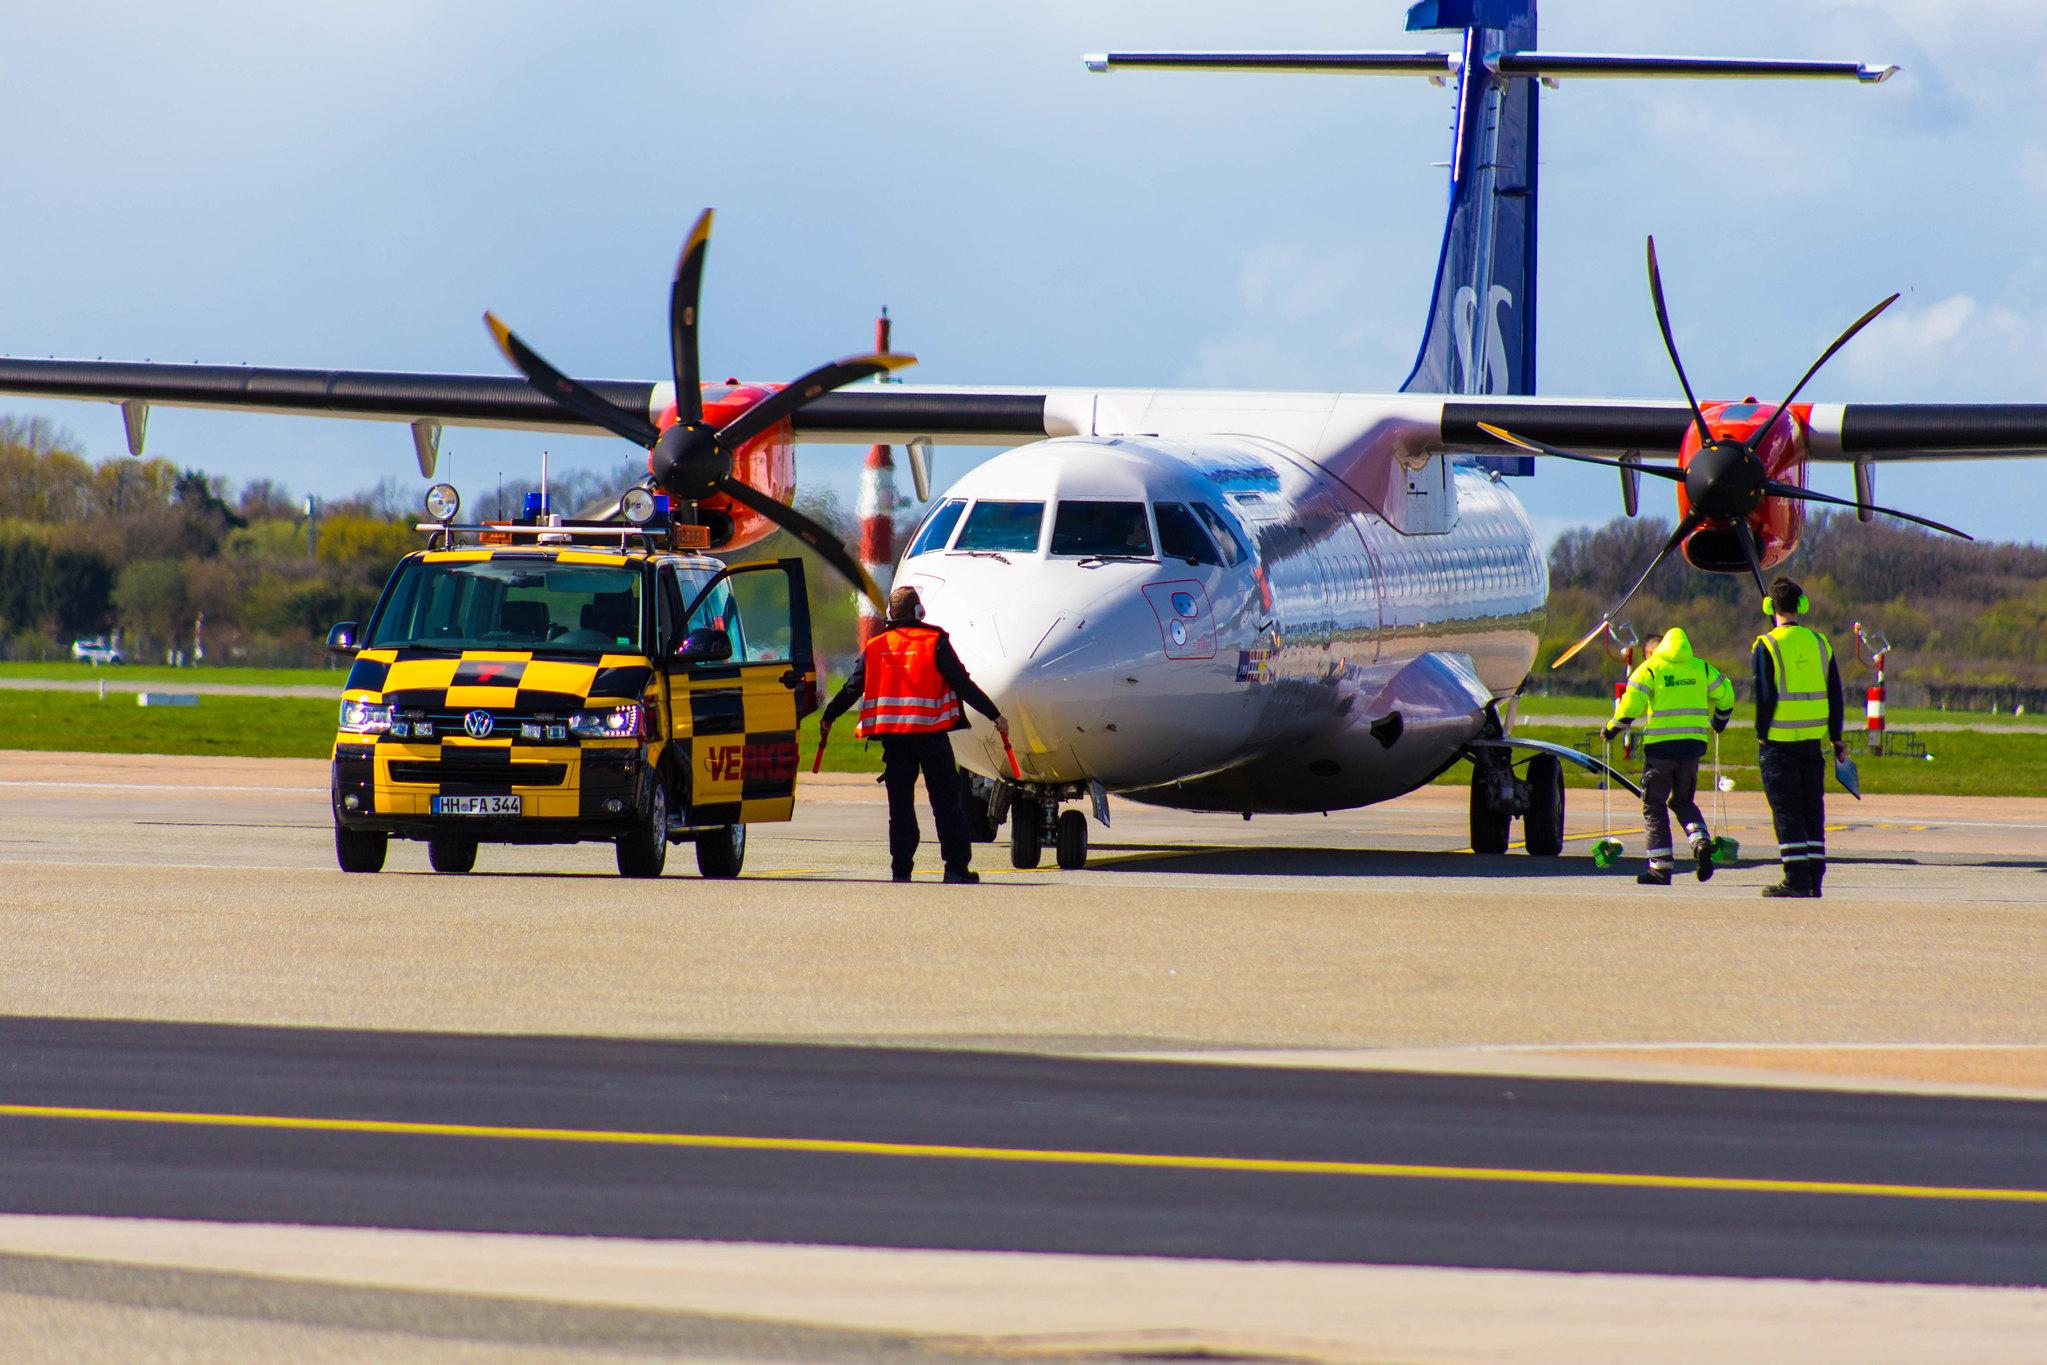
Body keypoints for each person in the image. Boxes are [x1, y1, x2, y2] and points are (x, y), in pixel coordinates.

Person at [820, 586, 1007, 884]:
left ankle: (901, 869)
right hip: (932, 738)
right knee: (946, 804)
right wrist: (994, 714)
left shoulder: (877, 645)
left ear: (890, 613)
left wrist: (829, 716)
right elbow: (962, 684)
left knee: (900, 808)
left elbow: (852, 687)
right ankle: (956, 869)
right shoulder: (935, 641)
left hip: (895, 742)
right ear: (919, 611)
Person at [1602, 626, 1737, 885]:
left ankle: (1660, 868)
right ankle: (1700, 842)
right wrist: (1719, 721)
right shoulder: (1701, 667)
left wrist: (1611, 729)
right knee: (1684, 803)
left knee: (1654, 805)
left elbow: (1630, 705)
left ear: (1651, 652)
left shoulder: (1651, 669)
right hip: (1692, 749)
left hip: (1661, 751)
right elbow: (1727, 694)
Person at [1752, 576, 1846, 899]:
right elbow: (1835, 693)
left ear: (1770, 607)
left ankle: (1795, 878)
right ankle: (1814, 878)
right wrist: (1836, 736)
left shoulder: (1766, 645)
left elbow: (1764, 695)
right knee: (1812, 810)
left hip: (1778, 744)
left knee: (1786, 811)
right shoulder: (1821, 643)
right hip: (1812, 744)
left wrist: (1761, 733)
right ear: (1802, 606)